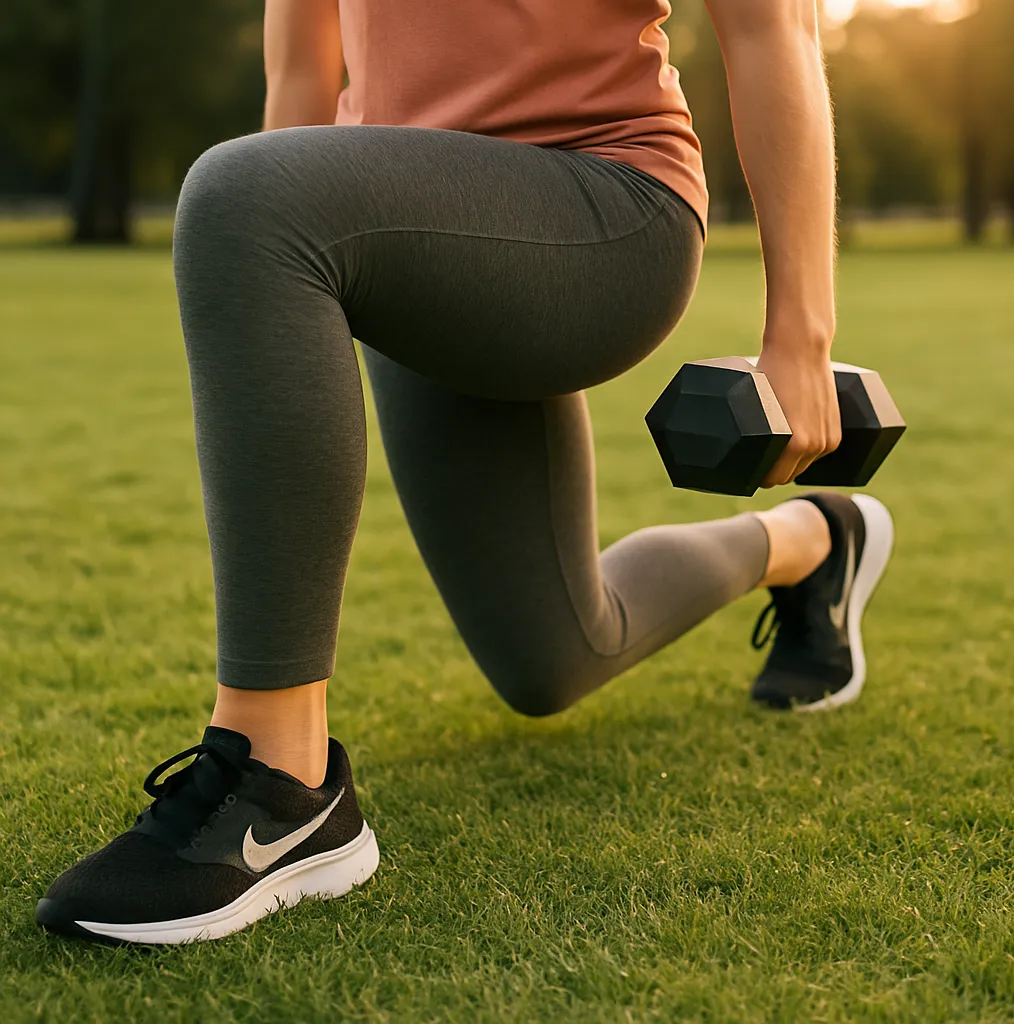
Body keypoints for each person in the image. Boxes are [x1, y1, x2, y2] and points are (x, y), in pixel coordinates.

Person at [36, 0, 895, 944]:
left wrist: (801, 340)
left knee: (242, 192)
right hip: (406, 229)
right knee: (555, 652)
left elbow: (774, 28)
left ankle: (279, 780)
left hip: (606, 206)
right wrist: (295, 268)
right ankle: (818, 542)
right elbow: (299, 75)